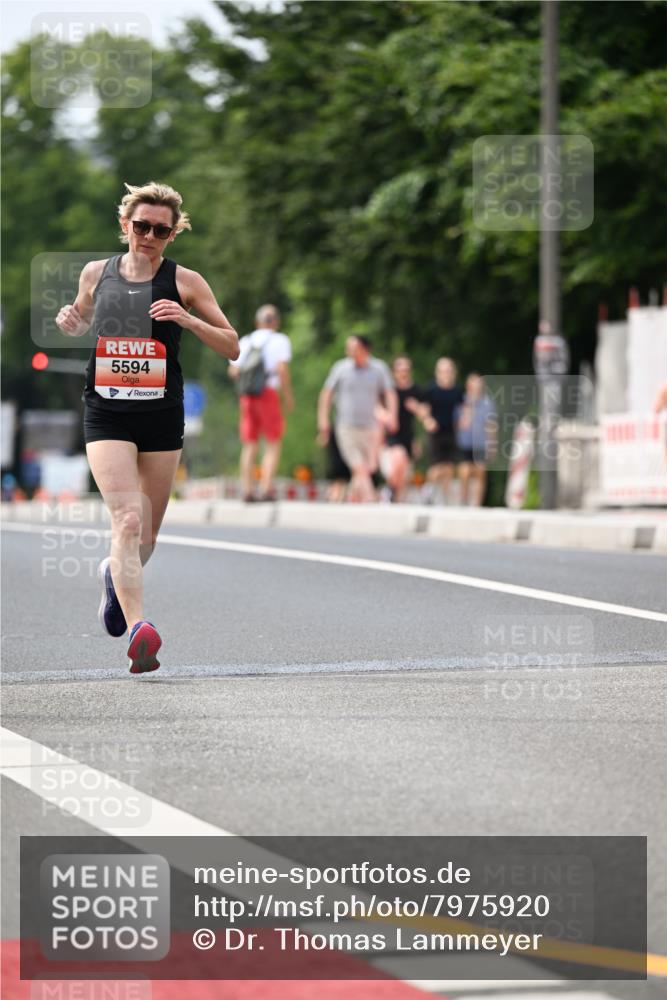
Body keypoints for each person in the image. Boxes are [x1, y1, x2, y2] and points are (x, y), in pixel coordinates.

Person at [55, 181, 240, 673]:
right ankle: (140, 629)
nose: (150, 235)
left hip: (161, 413)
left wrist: (187, 319)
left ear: (173, 234)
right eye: (142, 226)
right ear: (125, 226)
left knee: (148, 536)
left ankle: (112, 576)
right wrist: (70, 321)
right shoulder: (97, 273)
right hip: (107, 410)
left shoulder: (187, 281)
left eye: (161, 229)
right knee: (127, 520)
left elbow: (232, 345)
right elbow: (80, 321)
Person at [318, 336, 398, 502]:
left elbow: (390, 393)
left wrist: (392, 415)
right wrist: (323, 420)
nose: (348, 351)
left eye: (352, 347)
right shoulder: (341, 368)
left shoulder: (379, 369)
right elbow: (326, 393)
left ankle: (354, 499)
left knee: (368, 467)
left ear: (364, 349)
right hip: (346, 426)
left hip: (371, 426)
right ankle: (371, 501)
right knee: (358, 466)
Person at [228, 304, 294, 502]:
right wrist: (288, 396)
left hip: (247, 396)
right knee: (272, 443)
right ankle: (266, 488)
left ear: (257, 322)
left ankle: (247, 490)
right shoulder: (280, 340)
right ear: (276, 322)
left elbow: (233, 371)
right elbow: (281, 369)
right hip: (268, 393)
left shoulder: (247, 340)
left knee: (250, 444)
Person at [378, 356, 424, 502]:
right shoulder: (388, 390)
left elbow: (425, 415)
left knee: (403, 474)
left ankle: (394, 501)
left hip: (408, 436)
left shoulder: (415, 390)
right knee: (399, 458)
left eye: (406, 370)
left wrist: (416, 408)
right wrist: (385, 416)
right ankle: (389, 490)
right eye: (400, 370)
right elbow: (375, 407)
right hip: (391, 435)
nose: (403, 373)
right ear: (394, 372)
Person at [419, 357, 464, 504]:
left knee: (449, 467)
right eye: (443, 371)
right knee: (436, 467)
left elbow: (463, 410)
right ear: (437, 372)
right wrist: (427, 420)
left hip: (451, 432)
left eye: (449, 370)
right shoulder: (432, 389)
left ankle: (445, 499)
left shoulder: (457, 391)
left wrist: (463, 423)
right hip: (435, 432)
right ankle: (428, 491)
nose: (446, 373)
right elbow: (424, 408)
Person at [455, 373, 497, 506]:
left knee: (480, 472)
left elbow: (491, 425)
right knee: (465, 472)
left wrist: (492, 445)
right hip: (465, 442)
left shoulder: (487, 403)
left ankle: (477, 505)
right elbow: (457, 424)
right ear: (468, 385)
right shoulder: (461, 402)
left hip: (481, 443)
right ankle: (463, 501)